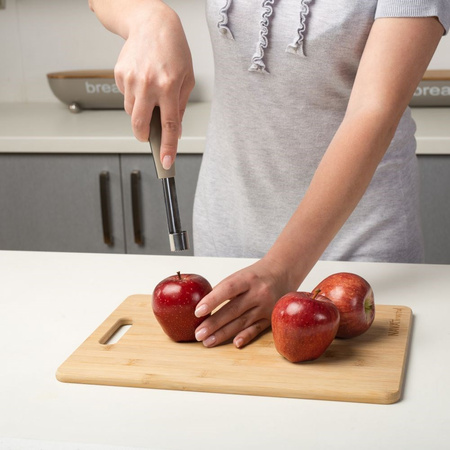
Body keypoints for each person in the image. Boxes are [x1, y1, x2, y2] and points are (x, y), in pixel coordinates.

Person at [89, 0, 449, 349]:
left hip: (354, 263)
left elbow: (374, 111)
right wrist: (148, 17)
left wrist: (281, 268)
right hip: (226, 246)